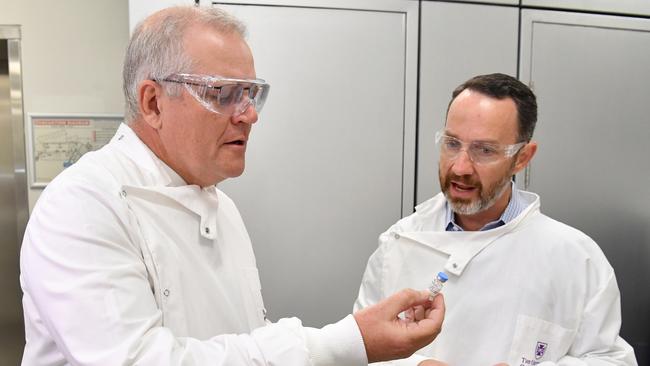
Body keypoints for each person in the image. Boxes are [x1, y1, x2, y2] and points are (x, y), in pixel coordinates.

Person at [19, 6, 445, 366]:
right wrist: (347, 342)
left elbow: (245, 338)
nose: (248, 115)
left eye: (251, 94)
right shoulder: (83, 204)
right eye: (222, 93)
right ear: (152, 102)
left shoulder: (221, 206)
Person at [354, 73, 637, 366]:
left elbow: (612, 361)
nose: (461, 167)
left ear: (523, 157)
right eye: (452, 144)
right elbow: (357, 349)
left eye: (484, 150)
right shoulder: (398, 244)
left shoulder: (577, 258)